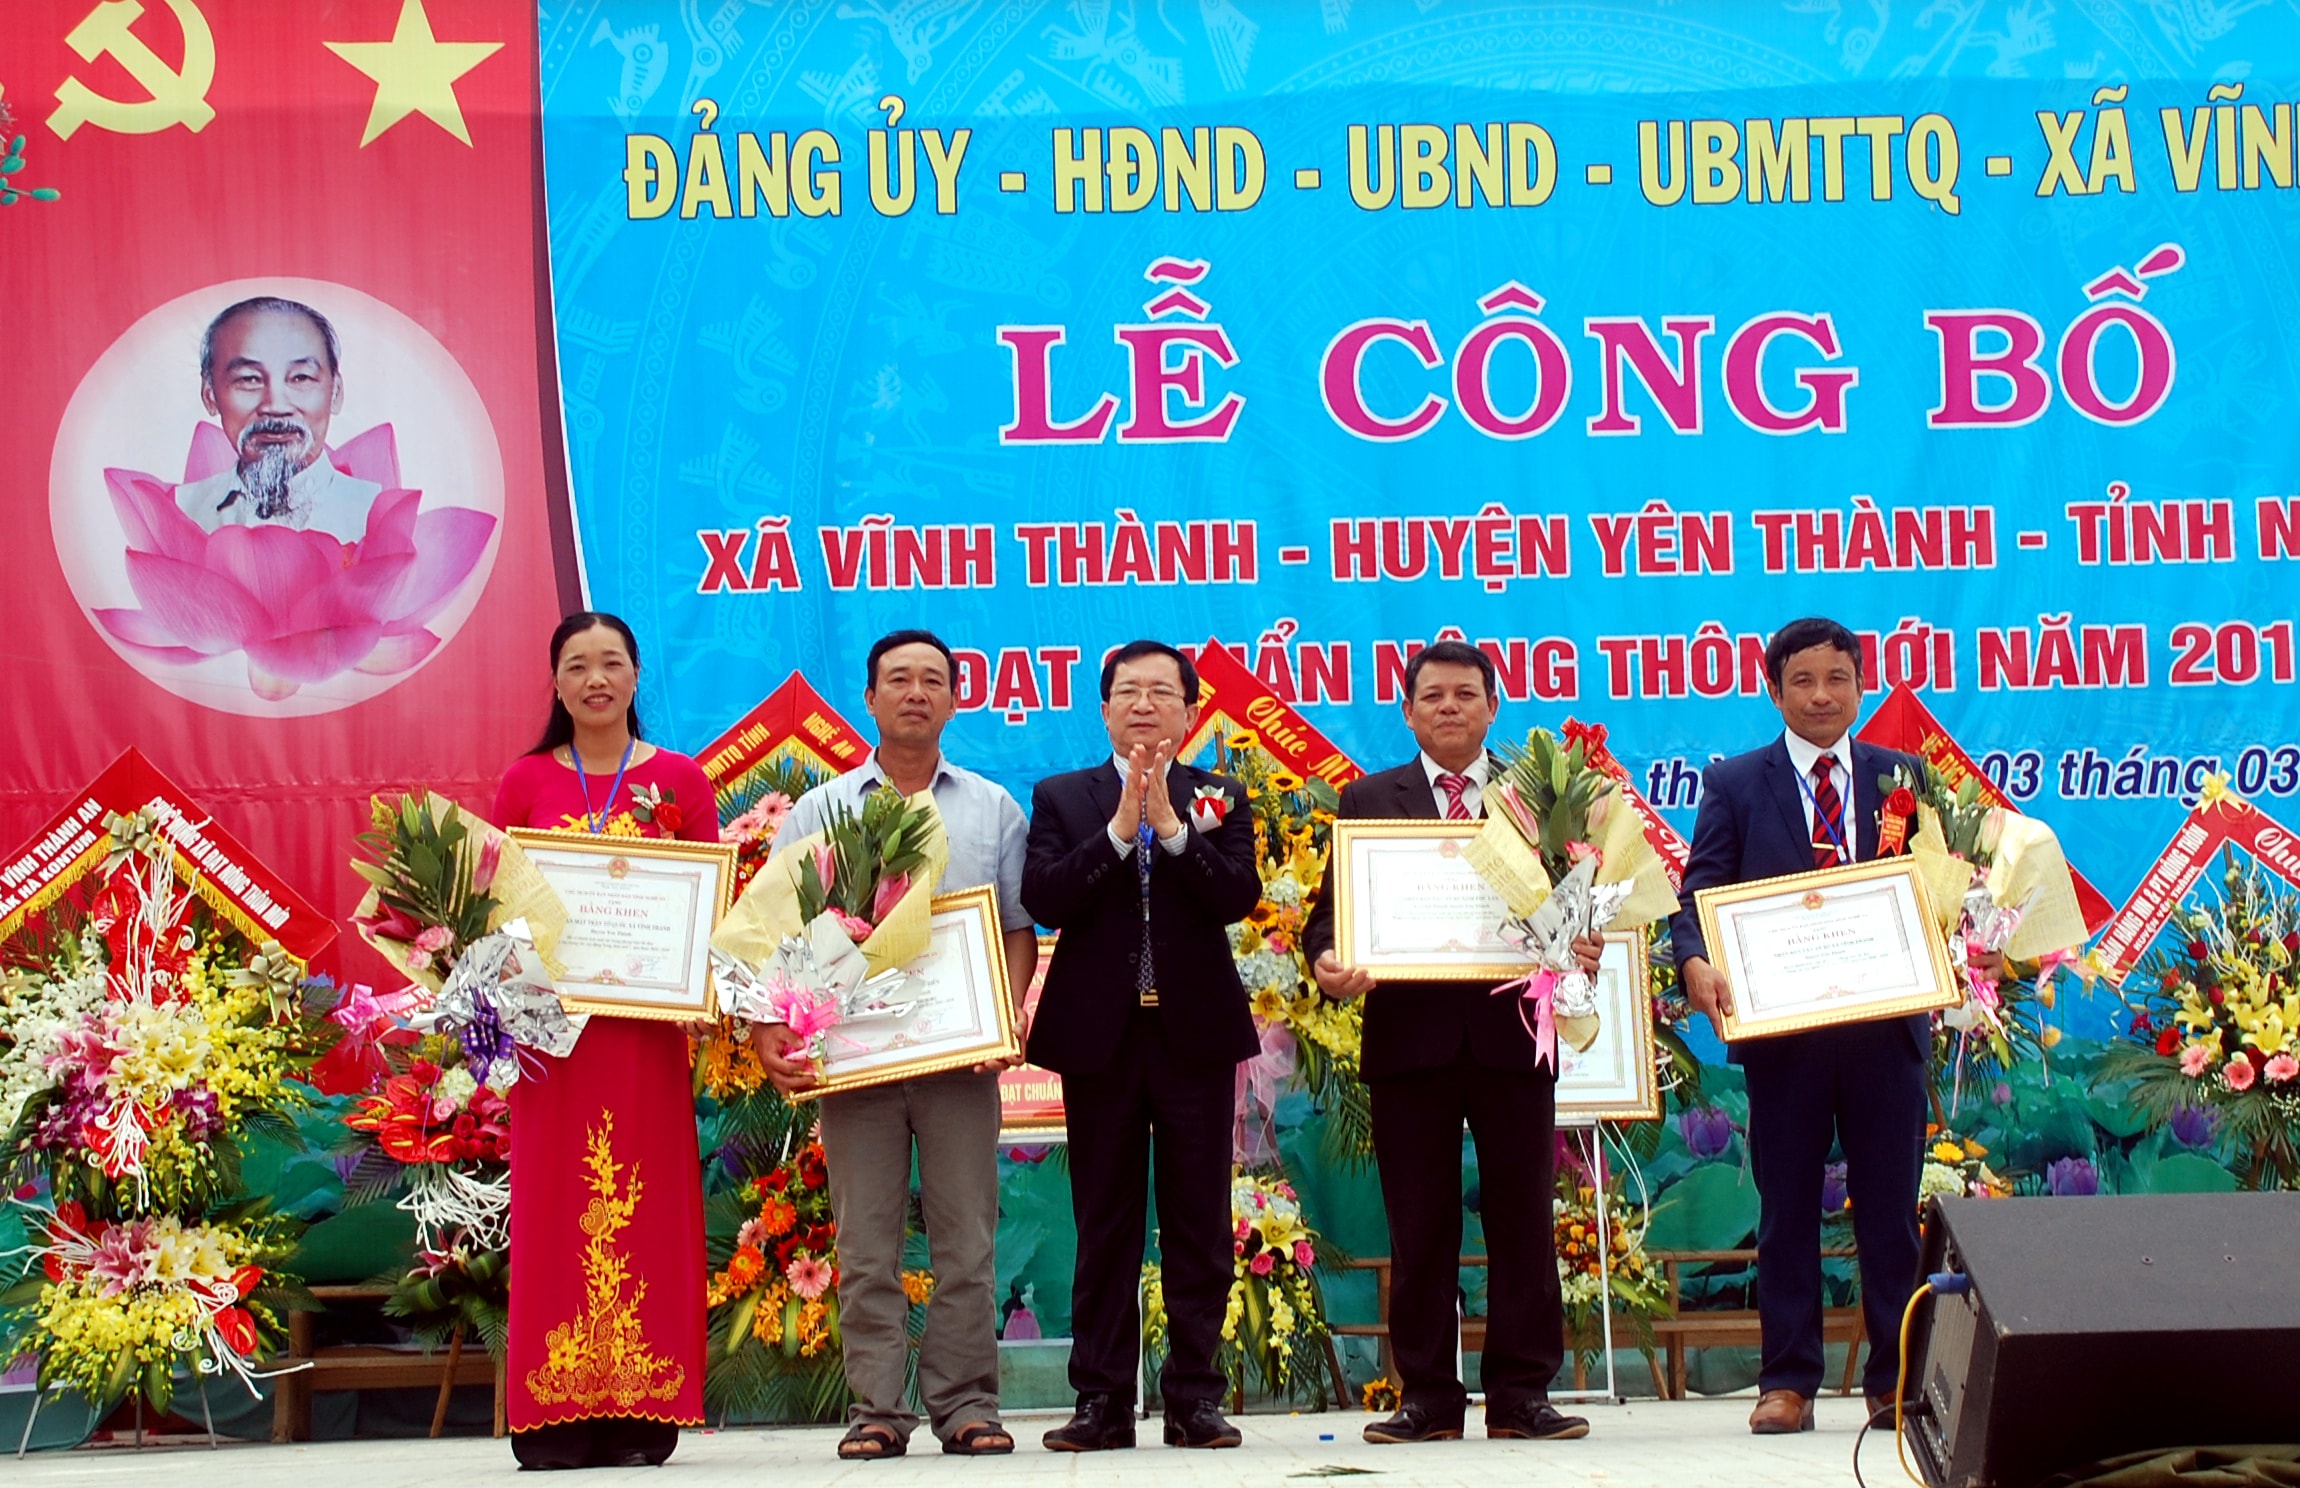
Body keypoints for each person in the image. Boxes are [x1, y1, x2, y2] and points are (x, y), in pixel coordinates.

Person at [750, 629, 1039, 1461]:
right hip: (856, 1060)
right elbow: (777, 929)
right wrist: (770, 1024)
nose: (916, 692)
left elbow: (1015, 929)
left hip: (958, 1059)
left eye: (933, 680)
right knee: (866, 1243)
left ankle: (967, 1406)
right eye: (899, 679)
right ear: (870, 698)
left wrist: (1004, 1012)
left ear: (955, 699)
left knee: (967, 1242)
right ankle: (876, 1409)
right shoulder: (819, 811)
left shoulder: (992, 807)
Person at [1301, 640, 1595, 1445]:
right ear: (1407, 711)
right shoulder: (1368, 799)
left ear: (1493, 706)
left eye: (1466, 694)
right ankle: (1428, 1396)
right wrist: (1327, 960)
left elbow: (1575, 901)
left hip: (1514, 1036)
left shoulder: (1536, 797)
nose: (1449, 708)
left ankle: (1521, 1395)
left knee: (1523, 1221)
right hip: (1410, 1042)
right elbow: (1329, 916)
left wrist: (1583, 936)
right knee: (1419, 1224)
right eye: (1432, 696)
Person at [1671, 616, 1934, 1436]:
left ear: (1860, 684)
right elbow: (1699, 893)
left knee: (1890, 1214)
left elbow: (1943, 887)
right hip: (1784, 1039)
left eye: (1837, 679)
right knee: (1786, 1213)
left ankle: (1896, 1381)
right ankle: (1787, 1382)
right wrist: (1694, 962)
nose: (1822, 696)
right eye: (1803, 682)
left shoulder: (1903, 778)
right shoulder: (1736, 784)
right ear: (1775, 691)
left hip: (1886, 1033)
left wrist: (1969, 940)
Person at [1021, 640, 1260, 1452]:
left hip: (1195, 1037)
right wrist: (1123, 830)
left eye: (1163, 691)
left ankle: (1195, 1398)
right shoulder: (1063, 796)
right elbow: (1046, 896)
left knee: (1199, 1222)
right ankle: (1102, 1402)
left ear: (1190, 712)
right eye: (1129, 691)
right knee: (1106, 1222)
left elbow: (1237, 896)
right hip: (1102, 1040)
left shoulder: (1221, 795)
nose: (1145, 704)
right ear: (1105, 709)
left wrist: (1174, 830)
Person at [492, 611, 712, 1469]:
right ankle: (553, 1412)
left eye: (611, 662)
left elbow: (708, 911)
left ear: (635, 675)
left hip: (645, 1039)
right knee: (555, 1208)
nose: (596, 679)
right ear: (555, 682)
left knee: (648, 1207)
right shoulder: (523, 784)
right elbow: (498, 911)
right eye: (578, 665)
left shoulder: (680, 780)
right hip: (554, 1043)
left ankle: (642, 1409)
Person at [175, 296, 382, 541]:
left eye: (301, 378)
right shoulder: (180, 511)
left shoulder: (375, 511)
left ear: (335, 392)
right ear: (210, 395)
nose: (275, 406)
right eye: (249, 379)